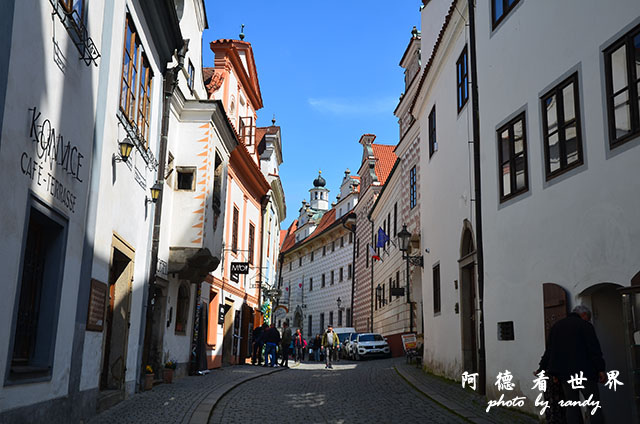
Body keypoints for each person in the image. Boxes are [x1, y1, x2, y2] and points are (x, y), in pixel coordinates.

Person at [536, 305, 606, 424]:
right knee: (593, 405)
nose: (588, 320)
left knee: (572, 405)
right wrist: (600, 369)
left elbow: (550, 350)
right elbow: (594, 349)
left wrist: (541, 368)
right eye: (588, 318)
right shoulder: (585, 326)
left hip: (565, 375)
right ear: (583, 315)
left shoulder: (556, 327)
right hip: (586, 373)